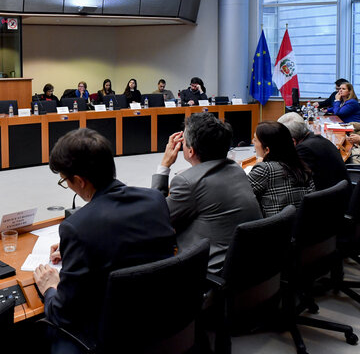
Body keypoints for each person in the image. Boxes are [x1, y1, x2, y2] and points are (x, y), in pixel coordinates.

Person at [33, 129, 175, 352]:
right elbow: (127, 242)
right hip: (163, 321)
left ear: (79, 181)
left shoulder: (76, 227)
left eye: (65, 181)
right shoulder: (155, 200)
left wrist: (51, 287)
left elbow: (63, 313)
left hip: (108, 336)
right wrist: (78, 247)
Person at [151, 113, 261, 274]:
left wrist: (164, 166)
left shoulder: (187, 182)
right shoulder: (236, 169)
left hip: (212, 272)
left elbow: (157, 218)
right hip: (249, 265)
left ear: (191, 151)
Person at [248, 121, 315, 217]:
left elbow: (242, 196)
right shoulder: (301, 165)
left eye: (255, 139)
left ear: (267, 150)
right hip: (301, 227)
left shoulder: (264, 169)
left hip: (273, 228)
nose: (252, 142)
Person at [277, 112, 349, 190]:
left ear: (292, 141)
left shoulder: (304, 149)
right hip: (340, 192)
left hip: (329, 197)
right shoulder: (316, 138)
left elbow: (293, 178)